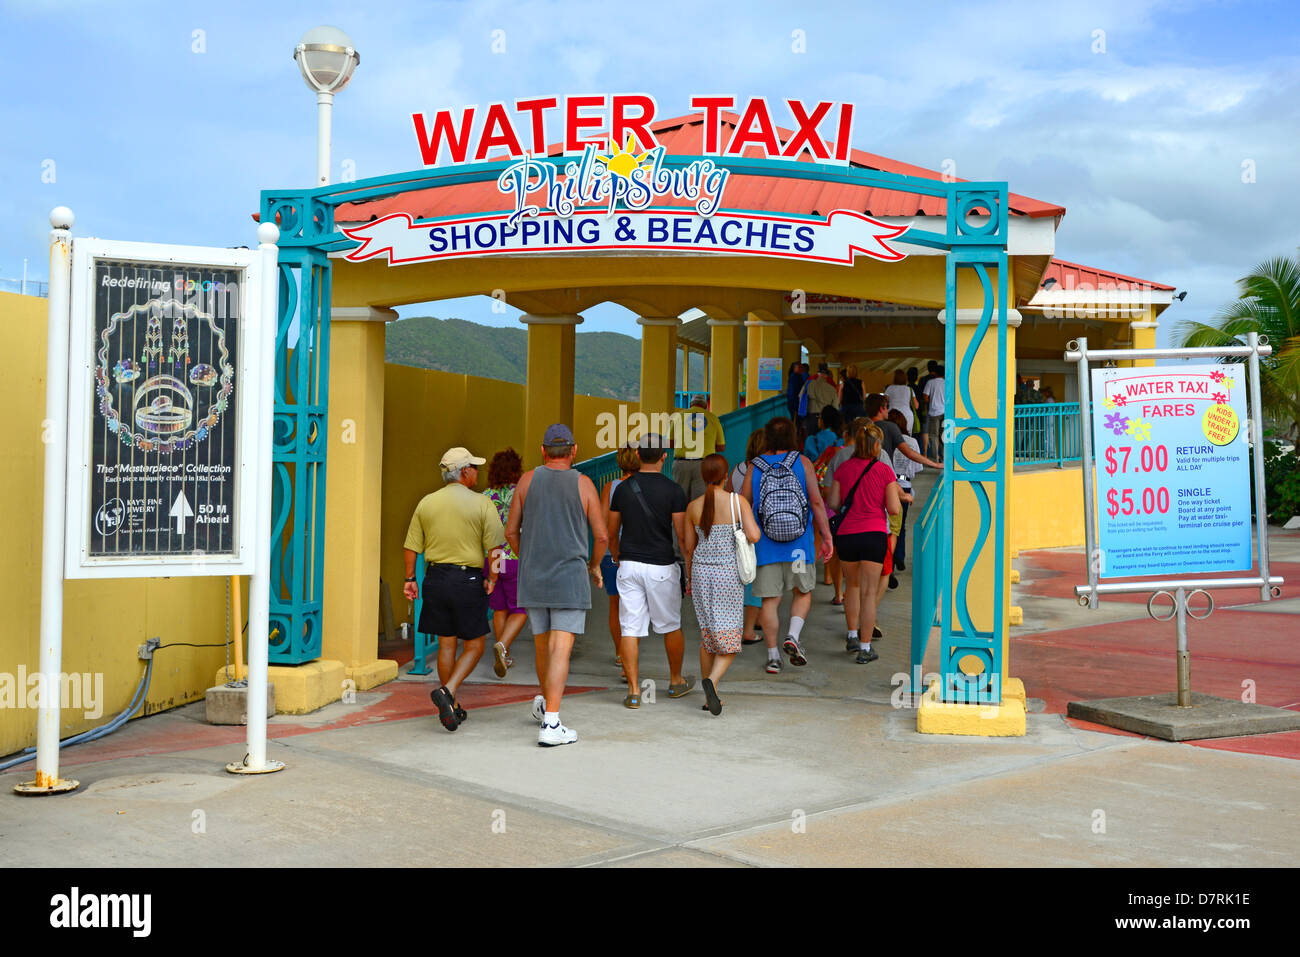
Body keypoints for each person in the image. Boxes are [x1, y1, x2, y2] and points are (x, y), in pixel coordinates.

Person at [505, 424, 608, 747]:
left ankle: (545, 703)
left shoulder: (526, 480)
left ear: (543, 450)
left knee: (541, 645)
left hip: (534, 577)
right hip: (569, 577)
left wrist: (528, 557)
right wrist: (593, 565)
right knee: (560, 648)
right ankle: (551, 722)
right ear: (574, 451)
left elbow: (510, 532)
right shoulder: (584, 484)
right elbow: (602, 535)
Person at [403, 447, 504, 732]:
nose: (477, 471)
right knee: (475, 645)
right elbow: (495, 549)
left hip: (434, 579)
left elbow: (411, 546)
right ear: (464, 472)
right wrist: (493, 579)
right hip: (467, 581)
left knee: (447, 643)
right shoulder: (482, 503)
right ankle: (448, 692)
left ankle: (452, 705)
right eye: (473, 467)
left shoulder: (426, 503)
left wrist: (410, 578)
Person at [740, 416, 834, 673]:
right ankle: (792, 635)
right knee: (802, 592)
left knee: (770, 600)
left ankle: (772, 657)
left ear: (767, 437)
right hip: (798, 545)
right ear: (793, 436)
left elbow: (743, 503)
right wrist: (826, 536)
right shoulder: (802, 463)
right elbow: (816, 502)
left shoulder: (755, 466)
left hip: (766, 546)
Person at [608, 433, 694, 706]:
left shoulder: (622, 488)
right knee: (670, 626)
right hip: (662, 566)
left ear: (637, 456)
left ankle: (634, 691)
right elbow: (681, 536)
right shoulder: (673, 490)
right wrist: (689, 569)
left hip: (629, 565)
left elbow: (612, 532)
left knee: (630, 629)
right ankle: (676, 681)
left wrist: (617, 556)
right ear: (663, 457)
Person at [684, 453, 761, 715]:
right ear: (726, 475)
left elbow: (688, 547)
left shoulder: (693, 506)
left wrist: (689, 578)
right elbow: (753, 535)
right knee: (730, 638)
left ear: (703, 476)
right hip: (728, 576)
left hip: (702, 576)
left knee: (708, 638)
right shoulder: (737, 502)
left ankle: (710, 697)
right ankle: (712, 682)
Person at [827, 424, 902, 663]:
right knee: (869, 593)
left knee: (853, 587)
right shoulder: (884, 471)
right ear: (877, 446)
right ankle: (866, 648)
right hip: (874, 535)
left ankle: (851, 636)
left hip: (848, 535)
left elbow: (835, 503)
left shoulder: (844, 468)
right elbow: (893, 508)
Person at [600, 445, 642, 681]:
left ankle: (620, 653)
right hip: (636, 553)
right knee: (634, 608)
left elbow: (606, 524)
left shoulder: (610, 487)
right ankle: (630, 657)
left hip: (611, 554)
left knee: (615, 605)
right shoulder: (644, 486)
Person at [484, 448, 527, 678]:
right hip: (514, 558)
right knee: (521, 609)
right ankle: (502, 646)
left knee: (499, 608)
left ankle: (504, 652)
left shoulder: (485, 495)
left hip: (492, 558)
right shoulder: (520, 493)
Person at [730, 428, 767, 645]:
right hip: (758, 529)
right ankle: (749, 630)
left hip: (736, 530)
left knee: (739, 575)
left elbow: (728, 495)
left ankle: (739, 624)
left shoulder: (737, 469)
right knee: (756, 577)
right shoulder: (766, 470)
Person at [669, 394, 724, 501]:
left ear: (690, 405)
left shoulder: (679, 416)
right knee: (700, 503)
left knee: (679, 502)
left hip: (681, 464)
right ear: (705, 406)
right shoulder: (713, 418)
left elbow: (669, 443)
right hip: (703, 465)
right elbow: (721, 446)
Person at [867, 393, 941, 472]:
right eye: (887, 407)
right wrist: (935, 464)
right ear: (881, 409)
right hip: (884, 474)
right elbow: (909, 453)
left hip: (863, 474)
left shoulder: (860, 426)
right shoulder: (890, 427)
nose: (888, 410)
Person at [888, 409, 921, 572]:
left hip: (888, 485)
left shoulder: (885, 441)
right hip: (905, 485)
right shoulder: (912, 442)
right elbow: (916, 469)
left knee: (888, 525)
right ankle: (899, 556)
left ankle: (889, 559)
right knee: (901, 524)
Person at [800, 364, 839, 436]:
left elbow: (800, 397)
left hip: (811, 417)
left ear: (818, 373)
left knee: (811, 439)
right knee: (825, 441)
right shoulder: (832, 388)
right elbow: (835, 407)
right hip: (826, 419)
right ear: (827, 375)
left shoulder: (808, 384)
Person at [922, 365, 947, 463]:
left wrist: (932, 401)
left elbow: (925, 397)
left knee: (933, 436)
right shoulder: (947, 383)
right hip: (946, 412)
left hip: (934, 412)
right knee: (943, 436)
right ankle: (943, 458)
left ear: (935, 373)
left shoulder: (930, 382)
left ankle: (934, 459)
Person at [916, 361, 938, 457]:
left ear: (928, 368)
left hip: (924, 408)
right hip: (938, 410)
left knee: (925, 431)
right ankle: (937, 454)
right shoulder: (940, 380)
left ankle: (924, 453)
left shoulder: (923, 379)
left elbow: (920, 394)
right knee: (936, 432)